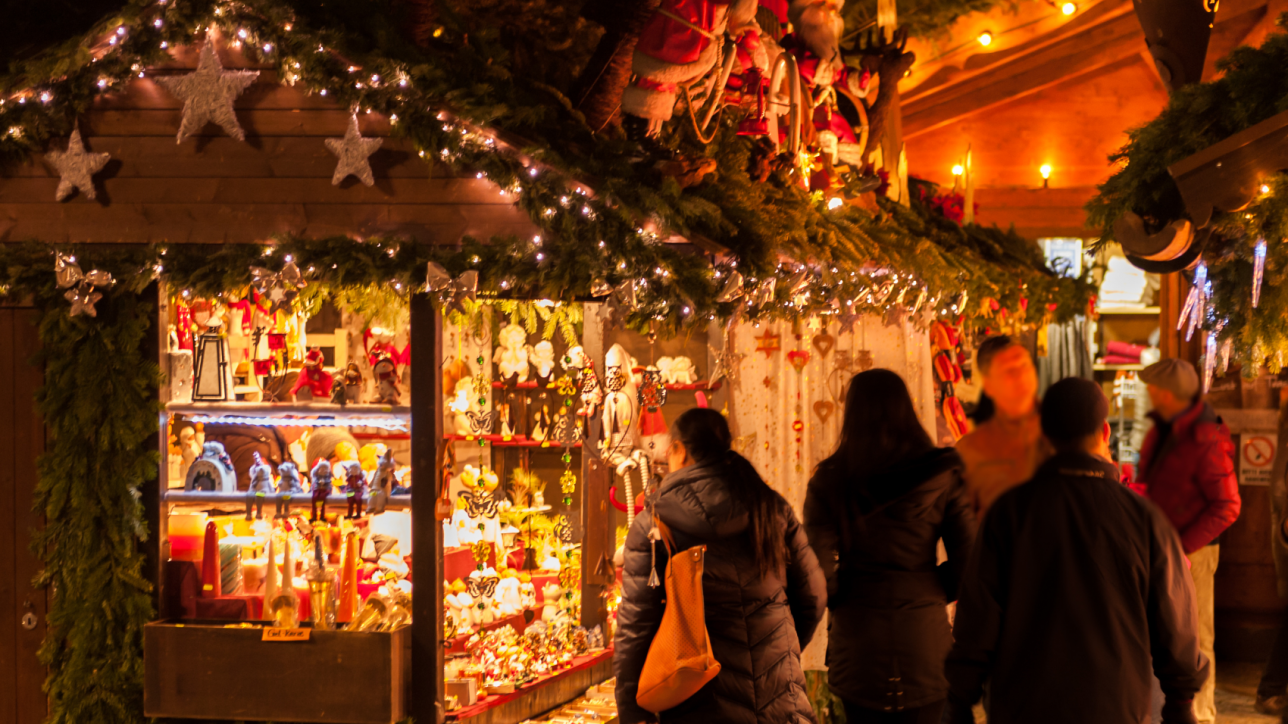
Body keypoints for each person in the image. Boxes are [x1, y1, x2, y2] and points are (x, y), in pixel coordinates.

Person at [943, 377, 1209, 724]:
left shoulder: (1009, 513)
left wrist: (960, 698)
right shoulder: (1145, 519)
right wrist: (1180, 700)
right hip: (1116, 706)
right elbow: (1176, 621)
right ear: (1104, 431)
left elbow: (978, 619)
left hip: (1024, 707)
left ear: (1045, 433)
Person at [614, 408, 826, 724]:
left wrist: (632, 712)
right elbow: (813, 595)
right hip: (782, 704)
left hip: (699, 703)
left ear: (679, 450)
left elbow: (636, 626)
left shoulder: (656, 522)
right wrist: (780, 653)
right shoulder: (771, 506)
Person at [804, 369, 976, 724]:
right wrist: (927, 588)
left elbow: (818, 576)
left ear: (851, 414)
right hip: (926, 641)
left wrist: (849, 595)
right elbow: (971, 562)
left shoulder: (829, 480)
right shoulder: (944, 473)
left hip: (858, 642)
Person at [1136, 358, 1240, 724]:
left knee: (1194, 635)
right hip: (1164, 550)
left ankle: (1202, 712)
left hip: (1192, 553)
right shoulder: (1165, 432)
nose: (1148, 396)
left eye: (1153, 390)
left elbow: (1228, 505)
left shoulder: (1205, 438)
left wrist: (1180, 547)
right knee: (1170, 633)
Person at [955, 335, 1050, 516]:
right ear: (988, 385)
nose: (1021, 375)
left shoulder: (1063, 430)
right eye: (1009, 370)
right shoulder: (971, 451)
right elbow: (964, 528)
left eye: (1024, 365)